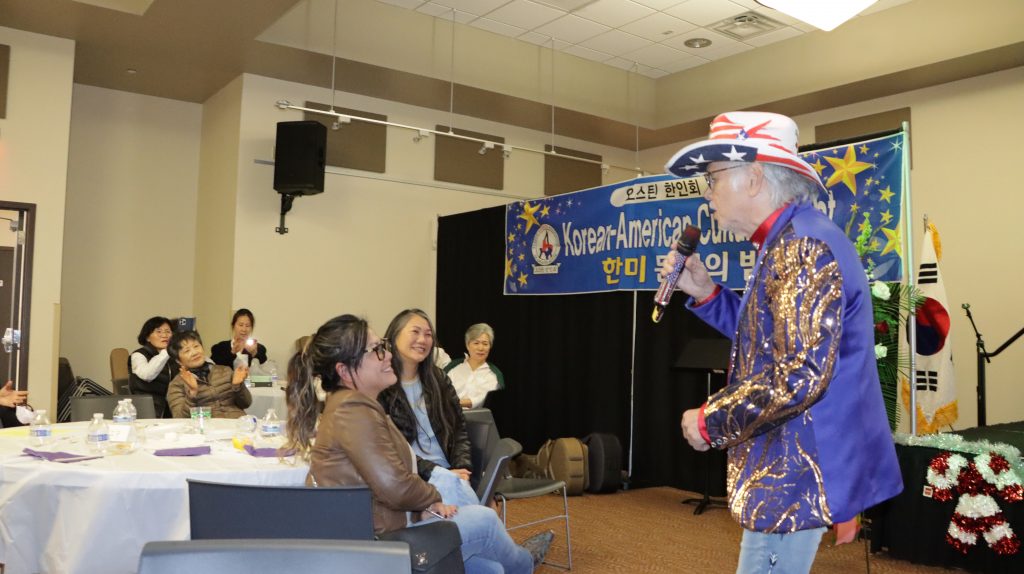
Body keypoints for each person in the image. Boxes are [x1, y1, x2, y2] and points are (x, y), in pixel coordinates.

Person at [660, 111, 903, 573]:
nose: (707, 193)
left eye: (713, 179)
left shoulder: (801, 247)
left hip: (800, 461)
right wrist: (707, 293)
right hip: (794, 454)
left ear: (753, 178)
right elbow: (770, 340)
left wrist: (711, 419)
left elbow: (799, 374)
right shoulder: (790, 238)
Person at [284, 314, 553, 573]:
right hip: (378, 541)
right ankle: (525, 564)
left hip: (384, 525)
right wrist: (431, 500)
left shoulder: (354, 405)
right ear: (344, 370)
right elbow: (393, 484)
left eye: (383, 346)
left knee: (489, 568)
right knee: (486, 521)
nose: (388, 355)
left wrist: (421, 507)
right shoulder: (353, 409)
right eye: (376, 350)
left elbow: (389, 481)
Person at [378, 309, 472, 483]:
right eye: (415, 331)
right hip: (410, 477)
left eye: (428, 334)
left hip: (450, 473)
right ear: (394, 336)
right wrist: (437, 473)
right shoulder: (380, 385)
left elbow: (459, 430)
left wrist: (463, 470)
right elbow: (389, 449)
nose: (422, 340)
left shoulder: (439, 379)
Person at [166, 329, 251, 418]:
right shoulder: (176, 384)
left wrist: (237, 386)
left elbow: (246, 403)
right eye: (187, 351)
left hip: (237, 422)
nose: (194, 353)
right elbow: (180, 417)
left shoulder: (225, 371)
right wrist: (192, 394)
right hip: (206, 425)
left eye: (196, 346)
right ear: (178, 360)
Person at [444, 323, 505, 409]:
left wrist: (455, 402)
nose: (480, 348)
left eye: (485, 344)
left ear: (490, 346)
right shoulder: (453, 368)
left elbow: (484, 400)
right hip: (448, 415)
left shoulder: (494, 374)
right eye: (476, 343)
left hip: (479, 416)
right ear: (467, 345)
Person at [129, 316, 176, 418]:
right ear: (147, 337)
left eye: (168, 331)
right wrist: (166, 351)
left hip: (172, 408)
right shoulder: (138, 355)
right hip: (148, 409)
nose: (164, 335)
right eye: (158, 331)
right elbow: (147, 375)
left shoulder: (174, 355)